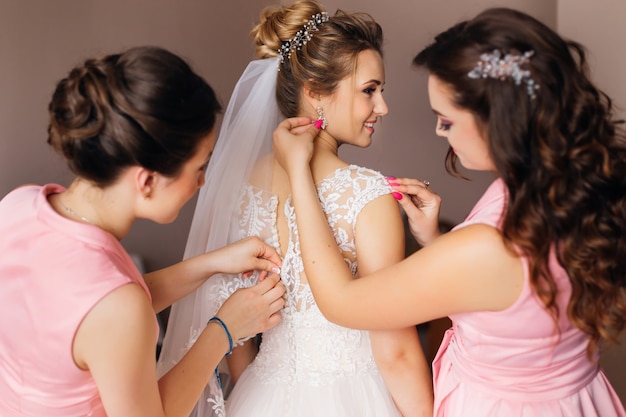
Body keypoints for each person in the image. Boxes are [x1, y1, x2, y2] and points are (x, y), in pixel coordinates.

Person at [272, 6, 626, 417]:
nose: (440, 132)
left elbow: (341, 302)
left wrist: (298, 172)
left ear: (496, 119)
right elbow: (511, 297)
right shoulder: (566, 190)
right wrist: (437, 243)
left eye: (446, 119)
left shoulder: (489, 243)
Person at [157, 1, 433, 416]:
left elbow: (240, 339)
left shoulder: (244, 182)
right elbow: (395, 351)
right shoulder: (368, 196)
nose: (383, 107)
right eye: (369, 90)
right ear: (316, 93)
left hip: (260, 394)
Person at [0, 46, 287, 417]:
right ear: (148, 181)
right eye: (200, 167)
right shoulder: (116, 306)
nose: (202, 182)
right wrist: (225, 329)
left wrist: (211, 263)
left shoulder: (17, 207)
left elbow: (87, 312)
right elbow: (112, 311)